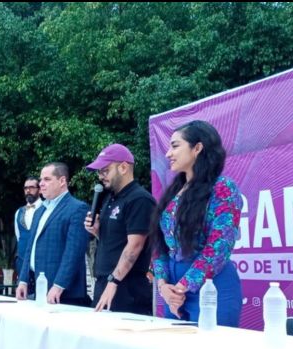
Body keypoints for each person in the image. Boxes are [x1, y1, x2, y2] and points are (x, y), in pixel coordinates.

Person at [150, 120, 243, 326]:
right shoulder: (173, 193)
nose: (168, 154)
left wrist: (183, 286)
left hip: (212, 288)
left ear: (197, 148)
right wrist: (164, 286)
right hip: (173, 293)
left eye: (175, 146)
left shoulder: (223, 188)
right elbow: (159, 245)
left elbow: (219, 247)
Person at [84, 144, 155, 314]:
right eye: (99, 172)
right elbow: (116, 242)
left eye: (105, 170)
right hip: (105, 282)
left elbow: (135, 246)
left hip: (127, 287)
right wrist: (97, 231)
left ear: (123, 167)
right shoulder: (111, 198)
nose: (101, 176)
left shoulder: (140, 199)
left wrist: (113, 281)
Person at [16, 162, 90, 307]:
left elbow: (73, 253)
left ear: (62, 181)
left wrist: (59, 285)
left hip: (64, 294)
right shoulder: (40, 211)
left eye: (47, 179)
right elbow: (30, 248)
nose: (41, 184)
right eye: (41, 179)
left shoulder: (77, 209)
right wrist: (23, 280)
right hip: (40, 288)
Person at [14, 176, 41, 273]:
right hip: (22, 262)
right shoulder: (19, 212)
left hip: (40, 262)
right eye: (25, 188)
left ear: (40, 190)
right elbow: (19, 236)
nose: (28, 190)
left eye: (32, 187)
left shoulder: (47, 209)